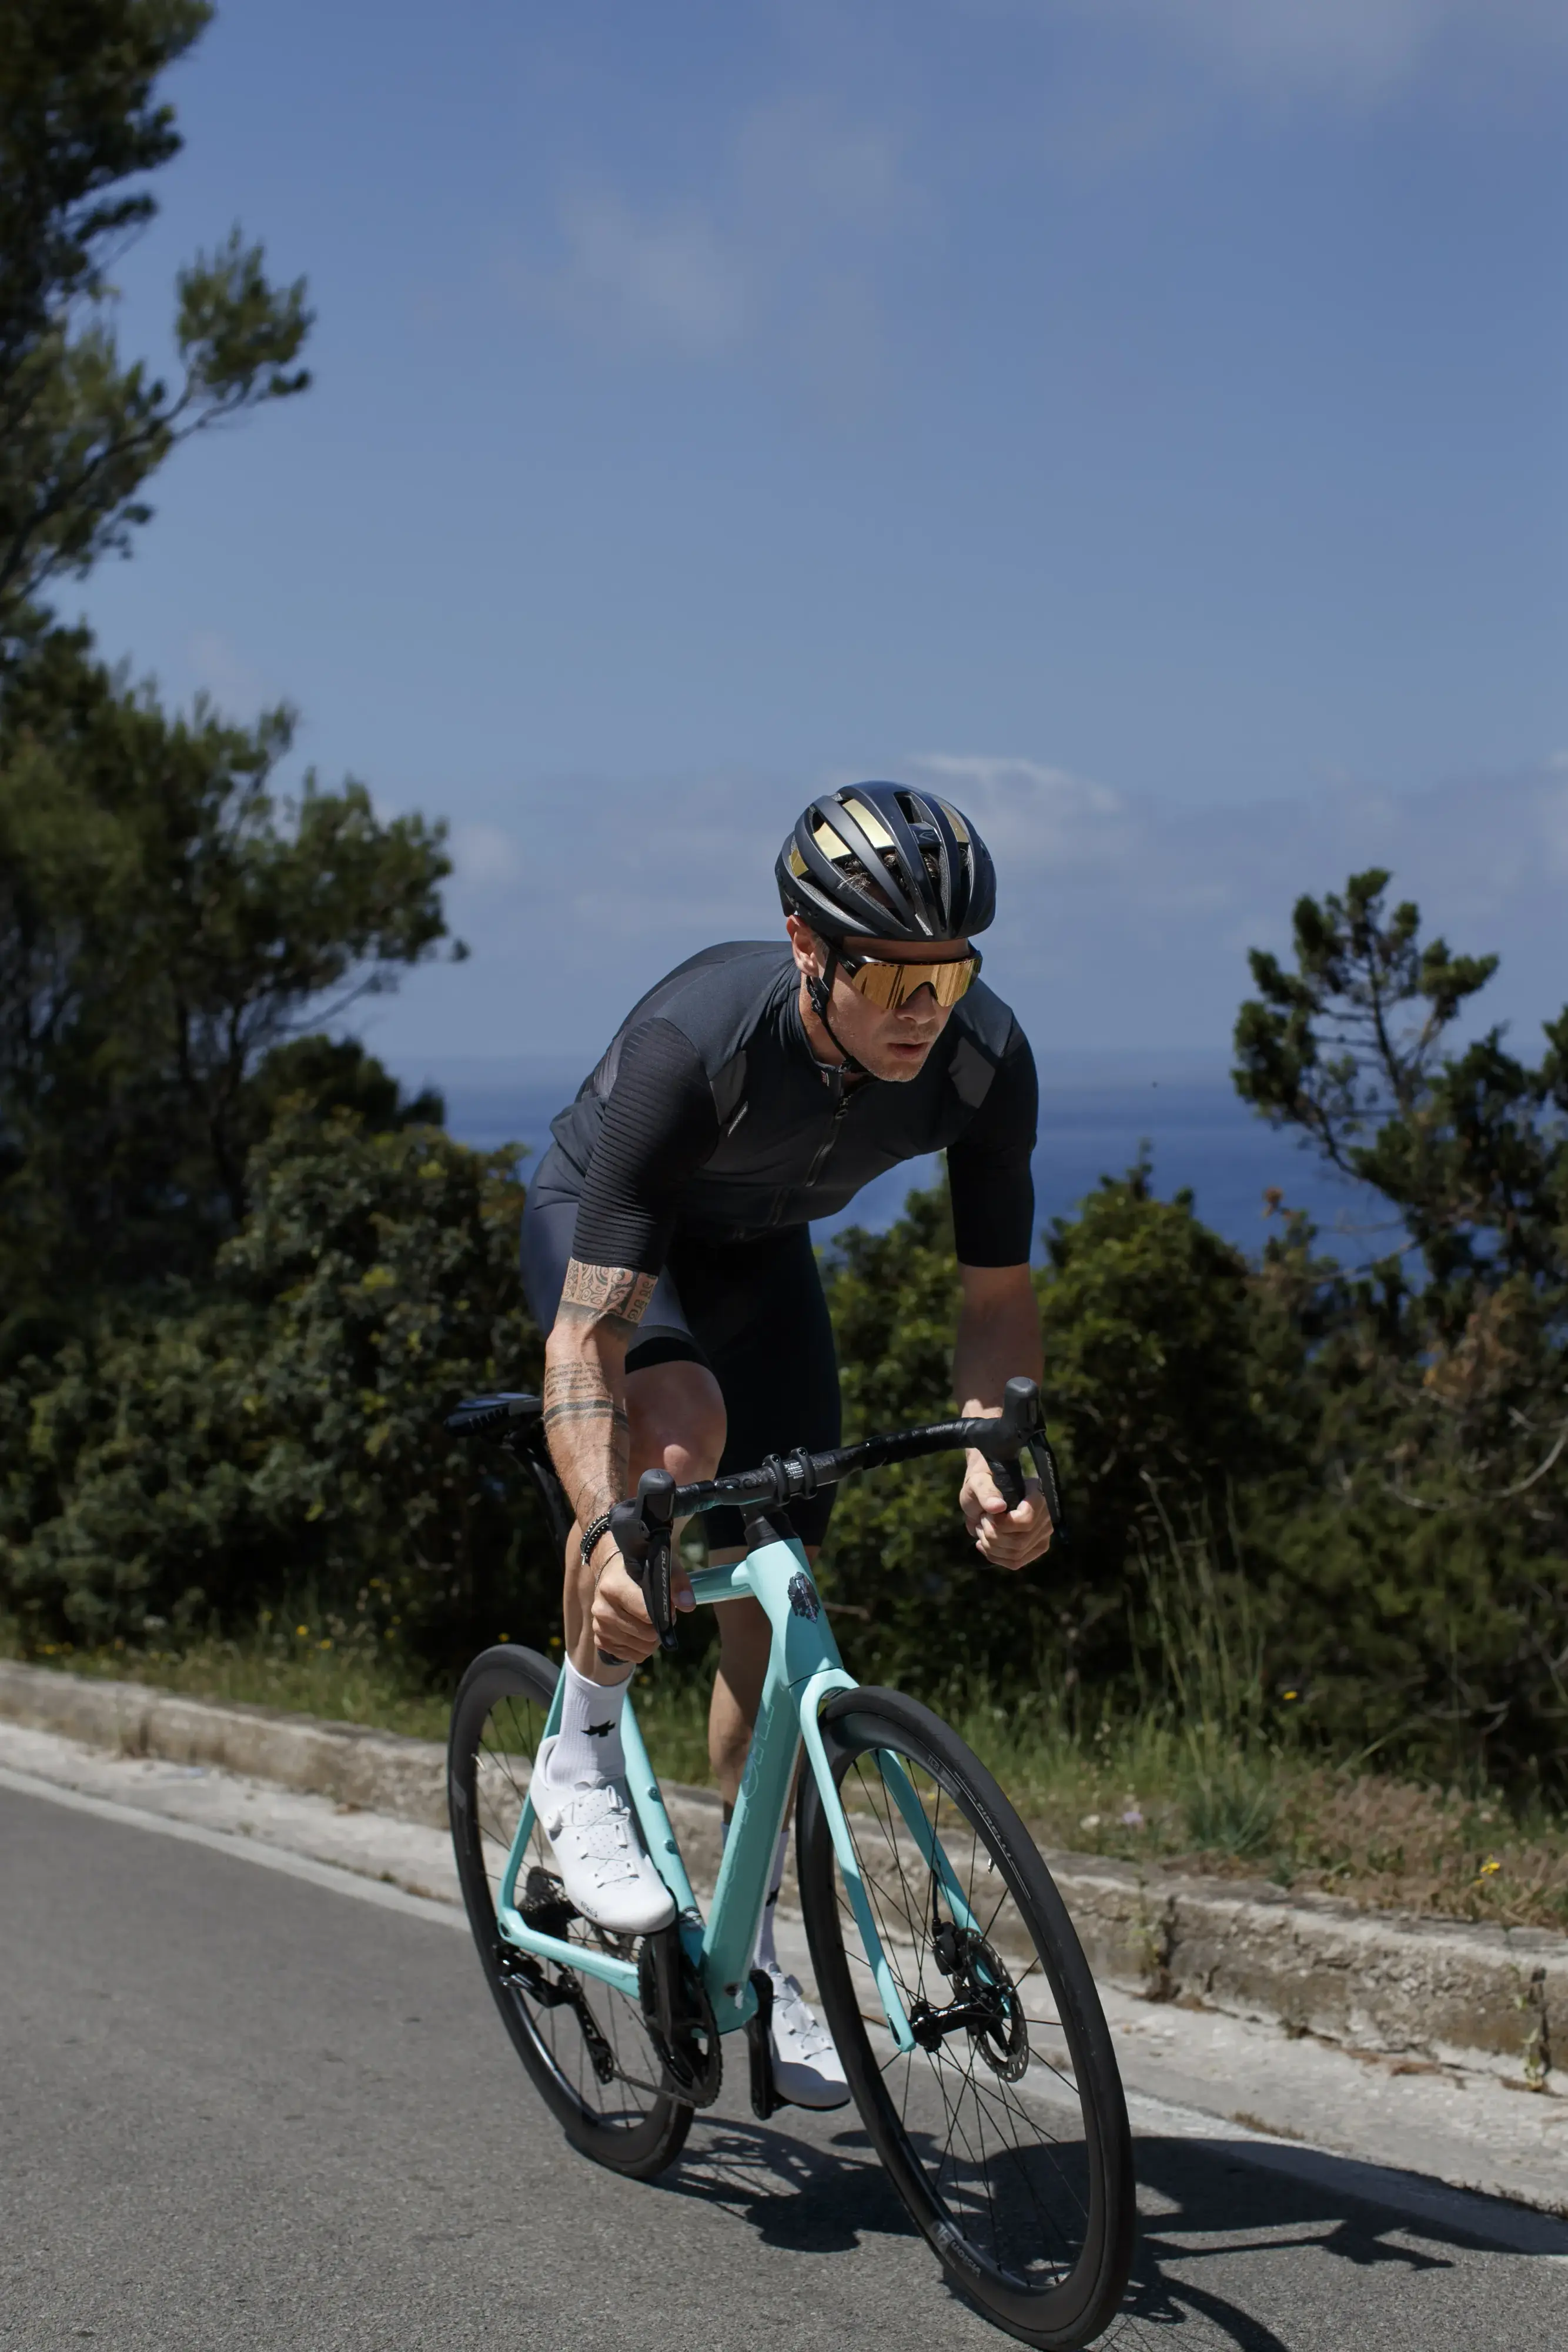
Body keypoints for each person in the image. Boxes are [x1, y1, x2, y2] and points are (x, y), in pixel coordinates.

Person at [519, 781, 1054, 2108]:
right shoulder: (692, 1047)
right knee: (679, 1447)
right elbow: (587, 1341)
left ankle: (750, 1957)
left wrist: (997, 1452)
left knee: (779, 1590)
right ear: (806, 946)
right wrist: (610, 1533)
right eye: (891, 976)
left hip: (762, 1263)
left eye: (949, 973)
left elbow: (996, 1302)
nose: (923, 1010)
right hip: (611, 1248)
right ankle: (577, 1757)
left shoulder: (984, 1062)